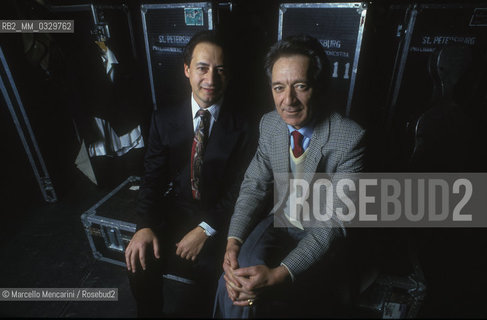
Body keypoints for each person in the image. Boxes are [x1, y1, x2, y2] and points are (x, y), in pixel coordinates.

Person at [214, 34, 366, 318]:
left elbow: (334, 223)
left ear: (318, 86)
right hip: (281, 220)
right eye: (279, 88)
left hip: (324, 233)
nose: (288, 100)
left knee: (270, 294)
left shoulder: (350, 137)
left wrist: (279, 274)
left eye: (301, 86)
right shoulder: (270, 124)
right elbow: (254, 186)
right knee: (234, 278)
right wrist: (233, 240)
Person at [125, 30, 253, 317]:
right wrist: (144, 225)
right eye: (202, 68)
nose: (211, 79)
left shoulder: (245, 126)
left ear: (228, 76)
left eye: (220, 70)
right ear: (186, 70)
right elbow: (152, 179)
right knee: (139, 257)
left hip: (221, 218)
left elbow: (241, 191)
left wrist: (205, 230)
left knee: (219, 278)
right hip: (177, 210)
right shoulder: (163, 119)